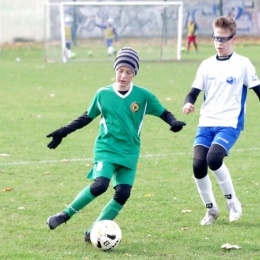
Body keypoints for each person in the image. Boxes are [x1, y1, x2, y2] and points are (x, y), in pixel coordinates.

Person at [46, 47, 186, 241]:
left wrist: (173, 123)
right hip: (107, 148)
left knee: (123, 194)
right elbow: (86, 117)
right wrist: (63, 131)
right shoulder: (103, 94)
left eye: (129, 72)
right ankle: (64, 214)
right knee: (100, 185)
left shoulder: (143, 96)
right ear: (115, 70)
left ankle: (93, 232)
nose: (123, 75)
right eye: (120, 70)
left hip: (130, 151)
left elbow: (164, 112)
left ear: (134, 73)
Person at [183, 16, 260, 225]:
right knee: (198, 166)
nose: (219, 43)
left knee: (214, 160)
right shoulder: (206, 65)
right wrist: (188, 103)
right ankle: (211, 210)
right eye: (216, 38)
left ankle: (233, 202)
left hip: (229, 123)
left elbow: (258, 90)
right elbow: (192, 93)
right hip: (206, 122)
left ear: (233, 39)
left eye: (224, 39)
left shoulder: (243, 64)